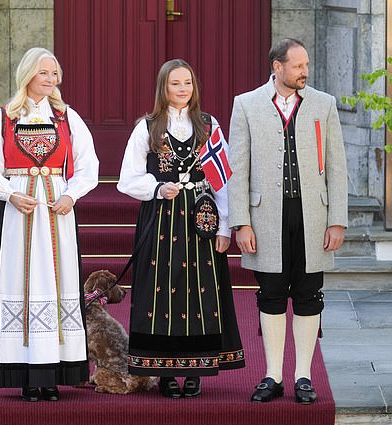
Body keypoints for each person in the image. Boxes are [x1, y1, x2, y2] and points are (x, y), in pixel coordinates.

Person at [227, 38, 348, 404]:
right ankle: (273, 375)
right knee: (272, 296)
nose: (305, 72)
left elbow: (338, 167)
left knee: (310, 295)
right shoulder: (246, 105)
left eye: (306, 65)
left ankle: (304, 377)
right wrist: (241, 223)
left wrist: (337, 220)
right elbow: (238, 169)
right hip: (266, 218)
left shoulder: (323, 104)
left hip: (313, 215)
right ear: (277, 67)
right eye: (298, 66)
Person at [0, 47, 99, 401]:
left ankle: (55, 374)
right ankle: (28, 374)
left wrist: (71, 196)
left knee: (58, 280)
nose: (51, 79)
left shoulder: (66, 116)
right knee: (21, 280)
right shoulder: (4, 118)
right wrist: (9, 194)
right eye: (44, 72)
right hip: (20, 212)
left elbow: (89, 165)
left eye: (54, 73)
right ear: (28, 74)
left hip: (56, 211)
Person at [117, 59, 245, 399]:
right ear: (164, 87)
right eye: (175, 83)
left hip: (199, 219)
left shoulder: (208, 125)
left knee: (200, 291)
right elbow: (126, 180)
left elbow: (224, 180)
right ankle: (165, 372)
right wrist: (157, 188)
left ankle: (195, 369)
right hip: (161, 218)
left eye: (187, 82)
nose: (183, 89)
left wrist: (225, 228)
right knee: (161, 292)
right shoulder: (148, 126)